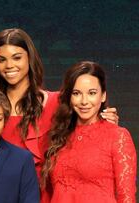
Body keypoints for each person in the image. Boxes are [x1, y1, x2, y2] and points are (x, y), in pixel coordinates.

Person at [0, 28, 119, 202]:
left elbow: (88, 133)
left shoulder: (57, 103)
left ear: (29, 59)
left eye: (17, 57)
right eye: (1, 60)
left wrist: (106, 123)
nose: (9, 65)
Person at [41, 61, 137, 203]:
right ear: (69, 97)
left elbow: (126, 197)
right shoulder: (59, 135)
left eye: (92, 93)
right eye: (76, 93)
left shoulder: (118, 136)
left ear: (103, 95)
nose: (84, 101)